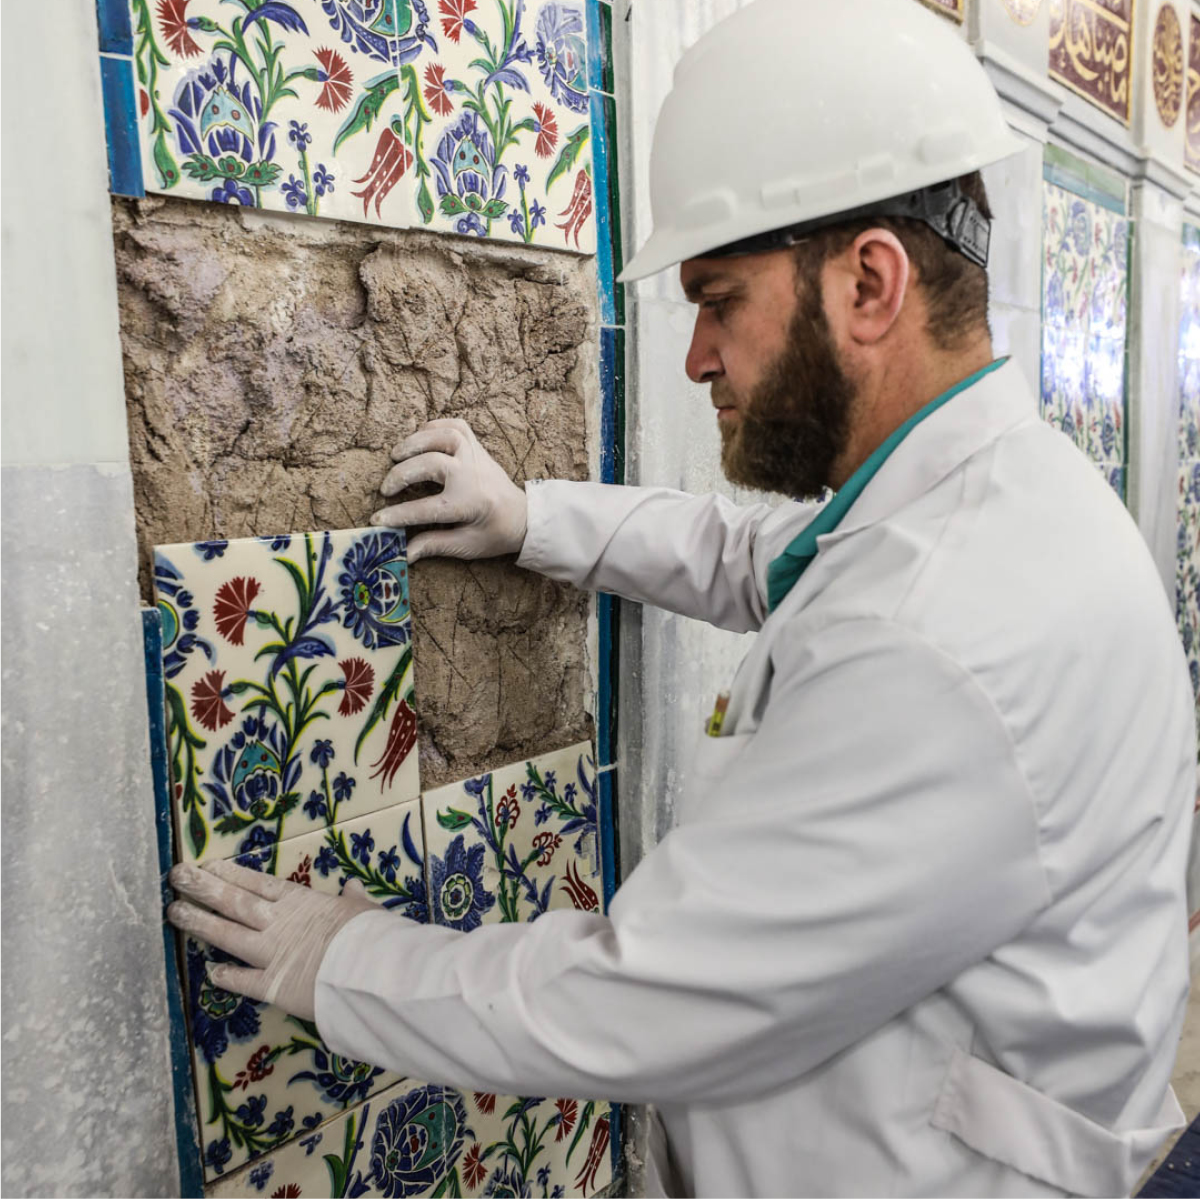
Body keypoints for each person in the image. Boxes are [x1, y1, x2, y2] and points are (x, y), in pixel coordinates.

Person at [167, 0, 1195, 1194]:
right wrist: (537, 517)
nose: (700, 356)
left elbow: (644, 998)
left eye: (718, 300)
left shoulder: (945, 634)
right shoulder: (988, 504)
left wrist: (341, 960)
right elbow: (764, 560)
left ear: (869, 283)